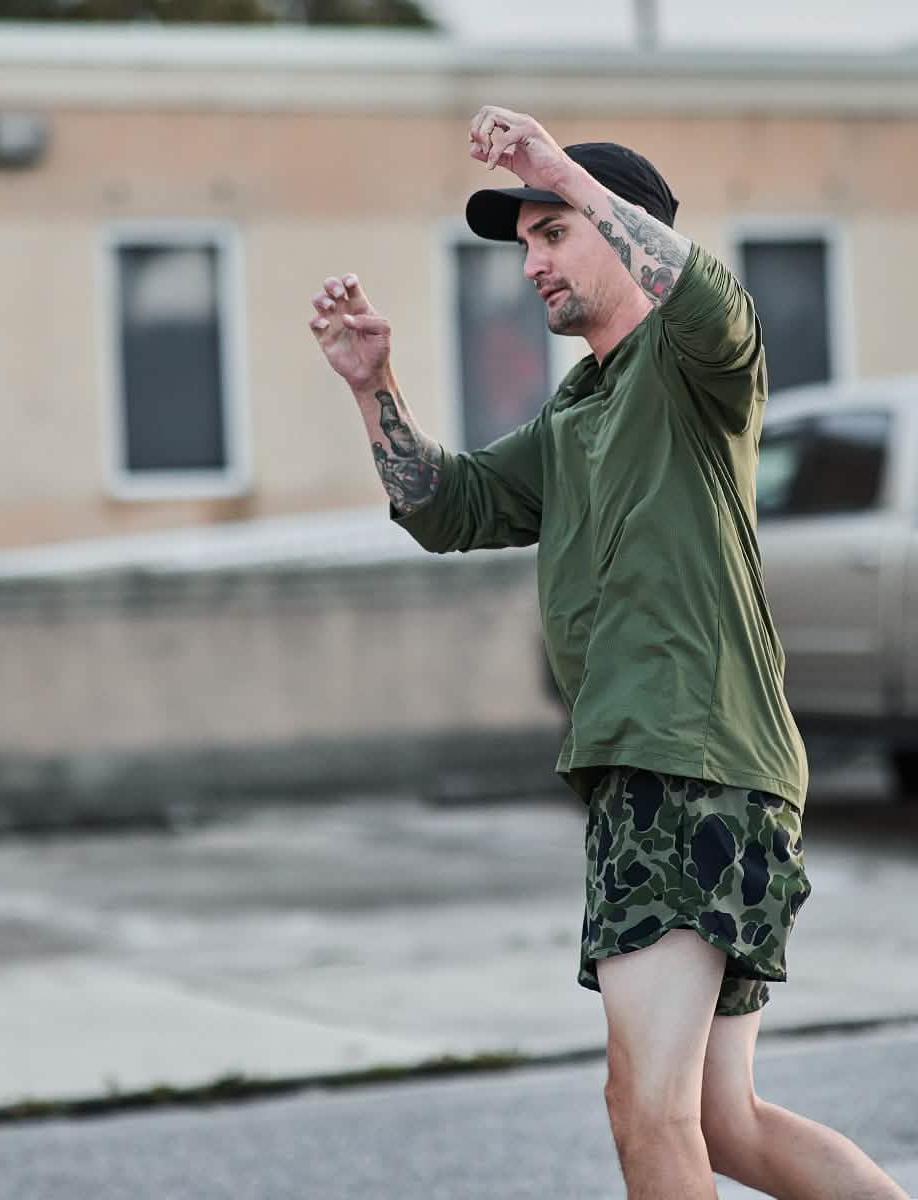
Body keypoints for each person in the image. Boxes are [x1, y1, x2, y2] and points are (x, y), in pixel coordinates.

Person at [307, 107, 909, 1200]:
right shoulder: (579, 411)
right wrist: (371, 385)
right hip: (689, 770)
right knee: (723, 1122)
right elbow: (450, 507)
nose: (533, 261)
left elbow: (713, 298)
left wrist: (559, 167)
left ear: (618, 230)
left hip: (689, 762)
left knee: (646, 1113)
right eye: (525, 241)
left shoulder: (692, 367)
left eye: (554, 232)